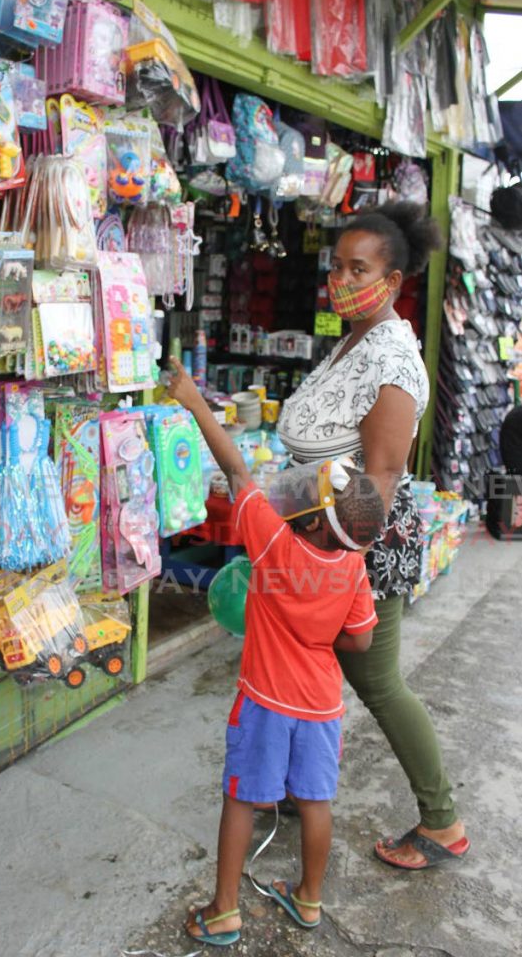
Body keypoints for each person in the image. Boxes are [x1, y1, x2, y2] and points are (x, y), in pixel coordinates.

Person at [277, 201, 470, 870]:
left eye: (357, 268)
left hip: (360, 545)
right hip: (319, 533)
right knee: (310, 665)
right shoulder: (351, 337)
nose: (339, 278)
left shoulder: (391, 357)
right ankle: (290, 784)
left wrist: (336, 568)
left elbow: (380, 479)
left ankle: (441, 821)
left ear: (392, 281)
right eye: (335, 265)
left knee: (378, 681)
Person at [166, 356, 385, 944]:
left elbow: (236, 471)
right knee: (316, 802)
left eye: (314, 496)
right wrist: (322, 636)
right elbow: (361, 638)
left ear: (314, 522)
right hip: (320, 706)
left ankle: (225, 909)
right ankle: (309, 899)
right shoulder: (353, 567)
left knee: (243, 800)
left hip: (265, 699)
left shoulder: (276, 545)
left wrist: (193, 403)